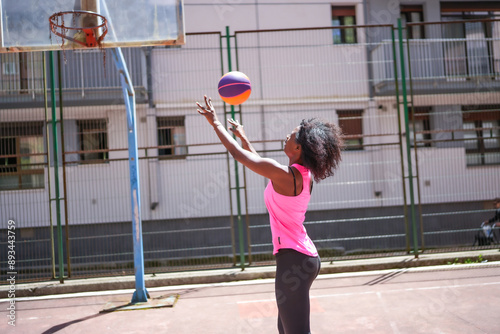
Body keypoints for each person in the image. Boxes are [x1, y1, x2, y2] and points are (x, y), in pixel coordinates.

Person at [196, 95, 343, 334]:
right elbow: (259, 163)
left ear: (298, 148)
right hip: (302, 258)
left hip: (293, 261)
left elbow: (242, 157)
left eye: (292, 134)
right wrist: (244, 138)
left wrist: (215, 123)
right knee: (285, 330)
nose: (287, 135)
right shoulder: (298, 175)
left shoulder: (288, 176)